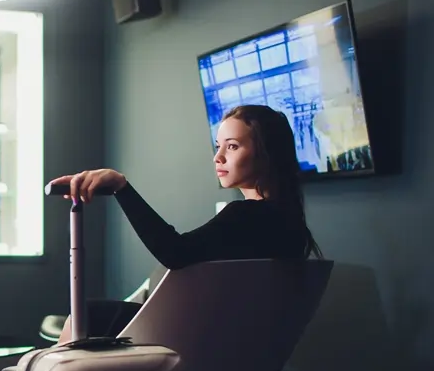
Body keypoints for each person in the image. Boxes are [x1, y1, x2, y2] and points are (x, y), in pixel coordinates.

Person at [49, 104, 323, 345]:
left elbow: (174, 252)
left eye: (233, 146)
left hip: (192, 337)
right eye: (218, 146)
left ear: (267, 154)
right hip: (229, 342)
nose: (218, 158)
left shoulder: (245, 216)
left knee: (87, 313)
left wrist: (122, 187)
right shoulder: (292, 226)